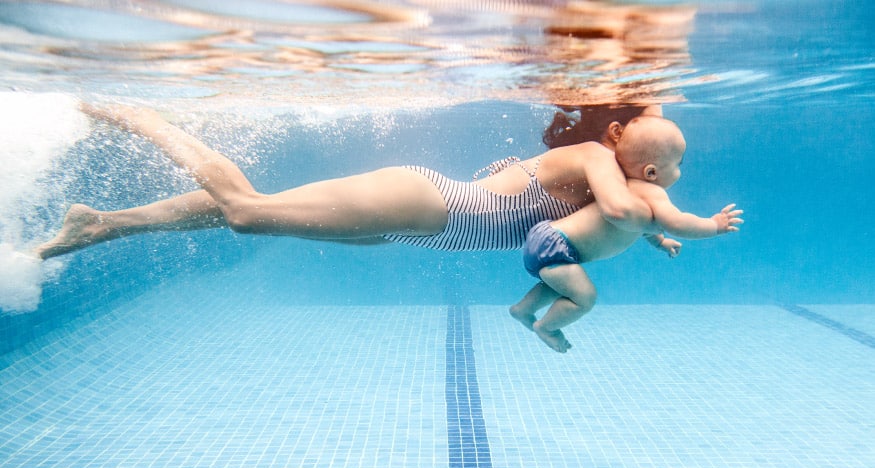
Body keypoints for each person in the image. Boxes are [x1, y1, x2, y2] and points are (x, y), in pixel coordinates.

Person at [37, 103, 660, 259]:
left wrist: (652, 227)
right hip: (426, 203)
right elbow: (618, 208)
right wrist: (663, 216)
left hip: (416, 226)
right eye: (666, 156)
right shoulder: (595, 158)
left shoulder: (598, 168)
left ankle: (101, 222)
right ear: (616, 135)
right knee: (247, 212)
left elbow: (594, 216)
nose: (670, 173)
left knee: (265, 210)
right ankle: (147, 122)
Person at [510, 116, 743, 353]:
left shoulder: (620, 187)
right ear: (651, 172)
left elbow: (641, 226)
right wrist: (714, 225)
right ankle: (546, 327)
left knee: (564, 287)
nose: (680, 171)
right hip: (558, 248)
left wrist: (660, 242)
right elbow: (678, 223)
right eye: (678, 164)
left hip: (548, 238)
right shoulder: (650, 192)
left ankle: (523, 309)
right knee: (585, 297)